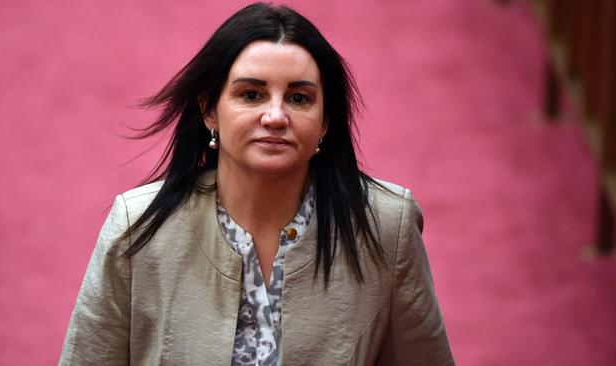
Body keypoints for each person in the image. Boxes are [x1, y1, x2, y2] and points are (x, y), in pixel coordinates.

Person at [59, 2, 454, 365]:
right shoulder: (137, 229)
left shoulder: (385, 228)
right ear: (209, 110)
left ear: (326, 121)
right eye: (251, 94)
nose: (275, 116)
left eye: (299, 98)